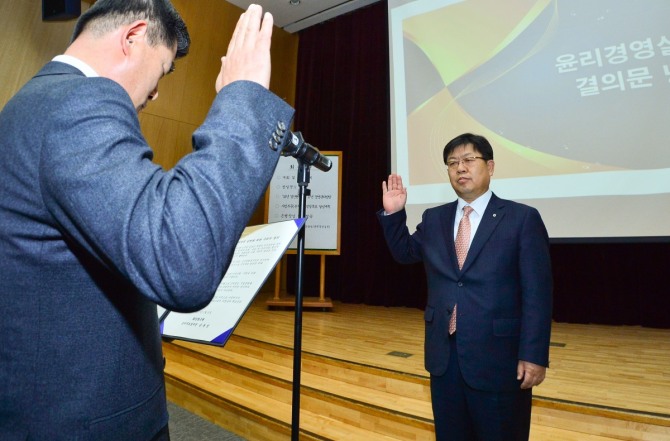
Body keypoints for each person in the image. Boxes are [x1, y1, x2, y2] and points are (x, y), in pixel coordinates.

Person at [0, 1, 294, 439]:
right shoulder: (78, 101)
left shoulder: (32, 103)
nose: (156, 92)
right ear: (133, 36)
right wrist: (243, 95)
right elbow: (182, 258)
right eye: (163, 69)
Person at [378, 133, 553, 440]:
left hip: (500, 358)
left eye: (469, 160)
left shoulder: (521, 219)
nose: (460, 168)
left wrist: (534, 354)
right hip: (445, 357)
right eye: (452, 163)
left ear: (491, 166)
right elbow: (405, 253)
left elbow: (538, 293)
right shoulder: (435, 218)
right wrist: (394, 213)